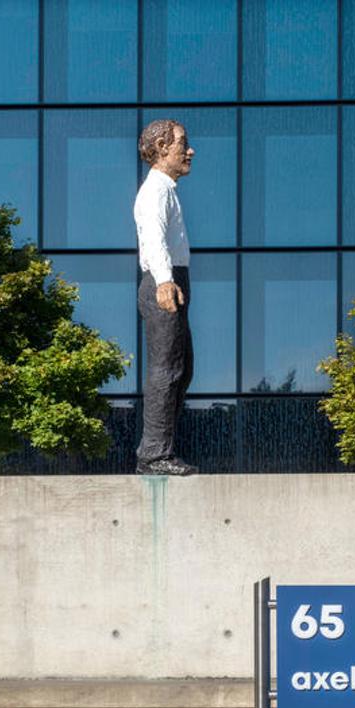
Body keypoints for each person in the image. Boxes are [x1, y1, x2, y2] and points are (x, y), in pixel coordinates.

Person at [134, 119, 197, 476]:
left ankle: (161, 449)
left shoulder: (167, 189)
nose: (189, 151)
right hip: (164, 282)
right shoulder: (154, 191)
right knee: (166, 370)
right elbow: (153, 239)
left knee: (182, 369)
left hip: (175, 280)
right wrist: (163, 282)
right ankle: (154, 455)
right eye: (182, 144)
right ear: (161, 149)